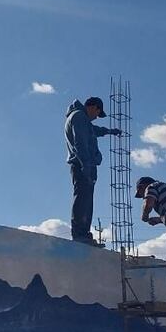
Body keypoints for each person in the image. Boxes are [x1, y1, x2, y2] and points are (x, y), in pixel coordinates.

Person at [64, 97, 121, 245]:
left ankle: (83, 233)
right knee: (83, 199)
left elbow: (93, 130)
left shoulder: (82, 120)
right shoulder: (79, 117)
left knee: (87, 200)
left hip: (85, 164)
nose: (96, 117)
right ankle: (79, 234)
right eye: (98, 113)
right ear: (93, 106)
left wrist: (109, 131)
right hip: (82, 165)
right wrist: (86, 165)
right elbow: (80, 143)